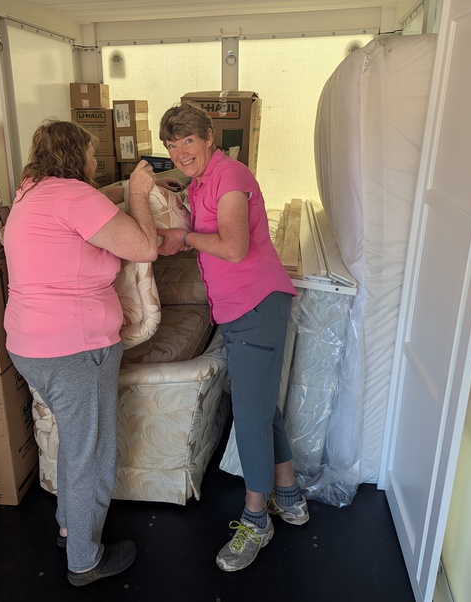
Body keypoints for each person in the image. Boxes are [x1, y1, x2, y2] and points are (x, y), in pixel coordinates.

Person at [3, 120, 158, 587]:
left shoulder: (31, 193)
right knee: (92, 449)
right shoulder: (74, 196)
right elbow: (145, 247)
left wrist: (116, 193)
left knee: (76, 439)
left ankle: (71, 529)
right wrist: (137, 193)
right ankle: (85, 561)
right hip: (75, 347)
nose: (96, 160)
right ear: (77, 155)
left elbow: (87, 212)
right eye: (91, 152)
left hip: (30, 344)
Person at [157, 103, 309, 573]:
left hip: (256, 304)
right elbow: (192, 194)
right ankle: (288, 495)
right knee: (262, 408)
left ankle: (256, 518)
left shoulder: (230, 175)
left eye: (187, 141)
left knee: (249, 417)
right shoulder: (203, 179)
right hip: (241, 307)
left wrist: (184, 239)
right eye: (170, 144)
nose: (179, 151)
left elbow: (234, 246)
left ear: (209, 139)